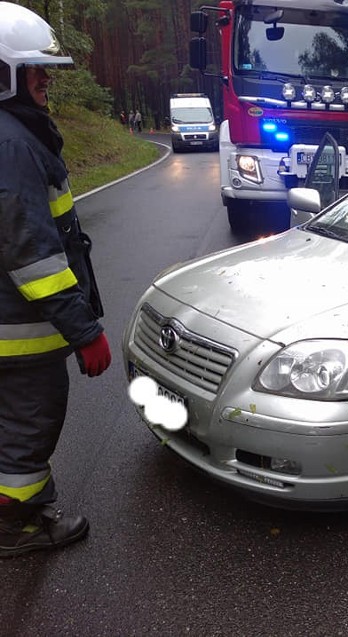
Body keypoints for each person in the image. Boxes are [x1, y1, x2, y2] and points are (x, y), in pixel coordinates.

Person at [0, 2, 111, 557]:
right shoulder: (11, 145)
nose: (45, 78)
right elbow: (34, 257)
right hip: (19, 330)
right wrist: (84, 330)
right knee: (29, 426)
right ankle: (12, 528)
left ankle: (31, 506)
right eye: (32, 68)